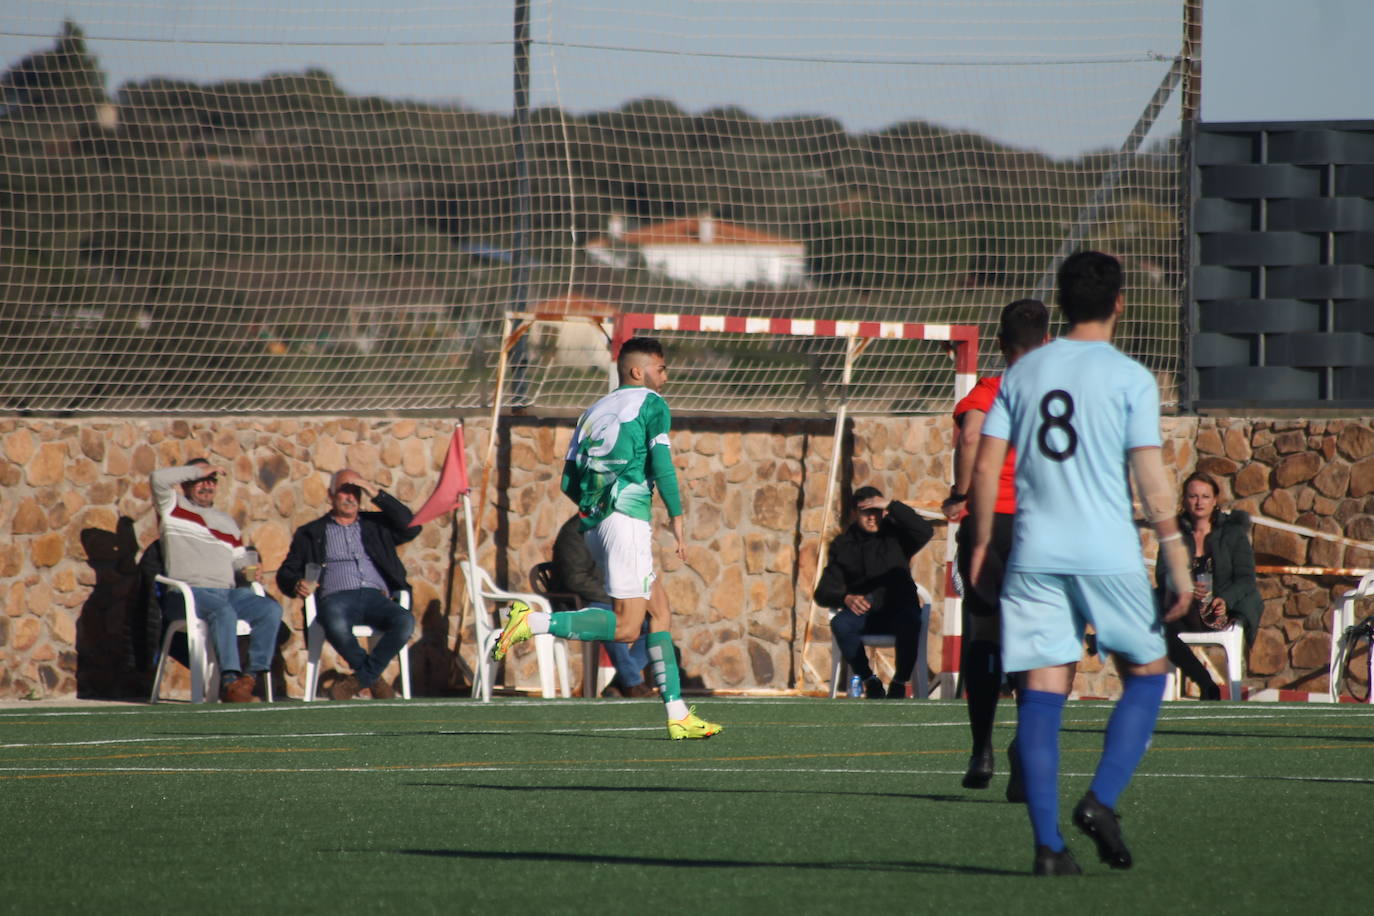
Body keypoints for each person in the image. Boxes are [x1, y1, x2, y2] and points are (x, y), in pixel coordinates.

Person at [970, 250, 1192, 876]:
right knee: (1147, 673)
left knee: (1041, 696)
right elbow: (1150, 481)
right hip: (1106, 553)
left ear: (1061, 307)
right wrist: (1175, 556)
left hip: (1035, 552)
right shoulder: (1130, 377)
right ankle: (1099, 800)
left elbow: (987, 465)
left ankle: (1048, 848)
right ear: (1120, 302)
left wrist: (985, 544)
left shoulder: (1023, 373)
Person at [493, 336, 722, 739]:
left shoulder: (592, 411)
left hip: (597, 524)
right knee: (628, 627)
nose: (665, 375)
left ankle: (678, 713)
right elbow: (663, 465)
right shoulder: (651, 403)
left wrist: (597, 508)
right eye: (661, 367)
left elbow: (569, 481)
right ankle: (534, 621)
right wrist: (677, 518)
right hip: (626, 523)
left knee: (660, 610)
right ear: (639, 371)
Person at [942, 298, 1049, 790]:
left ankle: (981, 750)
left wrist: (961, 496)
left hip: (993, 523)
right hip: (1045, 527)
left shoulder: (990, 389)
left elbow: (970, 440)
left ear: (1002, 345)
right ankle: (1026, 748)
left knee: (984, 632)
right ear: (1048, 342)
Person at [277, 468, 420, 700]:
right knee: (332, 619)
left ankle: (360, 680)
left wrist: (373, 490)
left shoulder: (375, 525)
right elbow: (286, 573)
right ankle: (374, 680)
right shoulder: (311, 533)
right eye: (345, 491)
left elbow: (412, 526)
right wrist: (297, 583)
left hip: (376, 597)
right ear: (330, 495)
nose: (351, 497)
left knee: (405, 621)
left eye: (356, 491)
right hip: (336, 598)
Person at [151, 457, 284, 703]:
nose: (207, 485)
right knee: (223, 611)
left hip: (228, 592)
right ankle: (230, 681)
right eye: (200, 480)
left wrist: (251, 570)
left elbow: (240, 561)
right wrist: (201, 468)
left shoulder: (227, 522)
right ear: (187, 483)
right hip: (188, 593)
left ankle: (250, 678)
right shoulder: (171, 507)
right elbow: (157, 478)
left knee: (270, 609)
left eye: (211, 480)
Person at [814, 486, 935, 699]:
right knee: (841, 624)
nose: (872, 518)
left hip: (899, 609)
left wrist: (891, 505)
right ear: (854, 514)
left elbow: (925, 530)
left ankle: (899, 682)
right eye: (865, 512)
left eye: (876, 511)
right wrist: (845, 598)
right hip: (865, 615)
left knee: (911, 620)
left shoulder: (897, 536)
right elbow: (823, 591)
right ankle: (869, 680)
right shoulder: (843, 545)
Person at [1154, 471, 1263, 701]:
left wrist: (1226, 600)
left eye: (1205, 496)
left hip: (1218, 611)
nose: (1199, 502)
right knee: (1152, 613)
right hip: (1183, 609)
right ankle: (1205, 683)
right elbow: (1162, 574)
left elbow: (1246, 578)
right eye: (1193, 496)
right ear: (1184, 500)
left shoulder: (1232, 533)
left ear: (1215, 500)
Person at [551, 513, 655, 698]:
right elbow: (576, 579)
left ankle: (620, 684)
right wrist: (614, 599)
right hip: (575, 602)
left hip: (606, 599)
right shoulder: (574, 532)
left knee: (653, 623)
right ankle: (632, 683)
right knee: (612, 618)